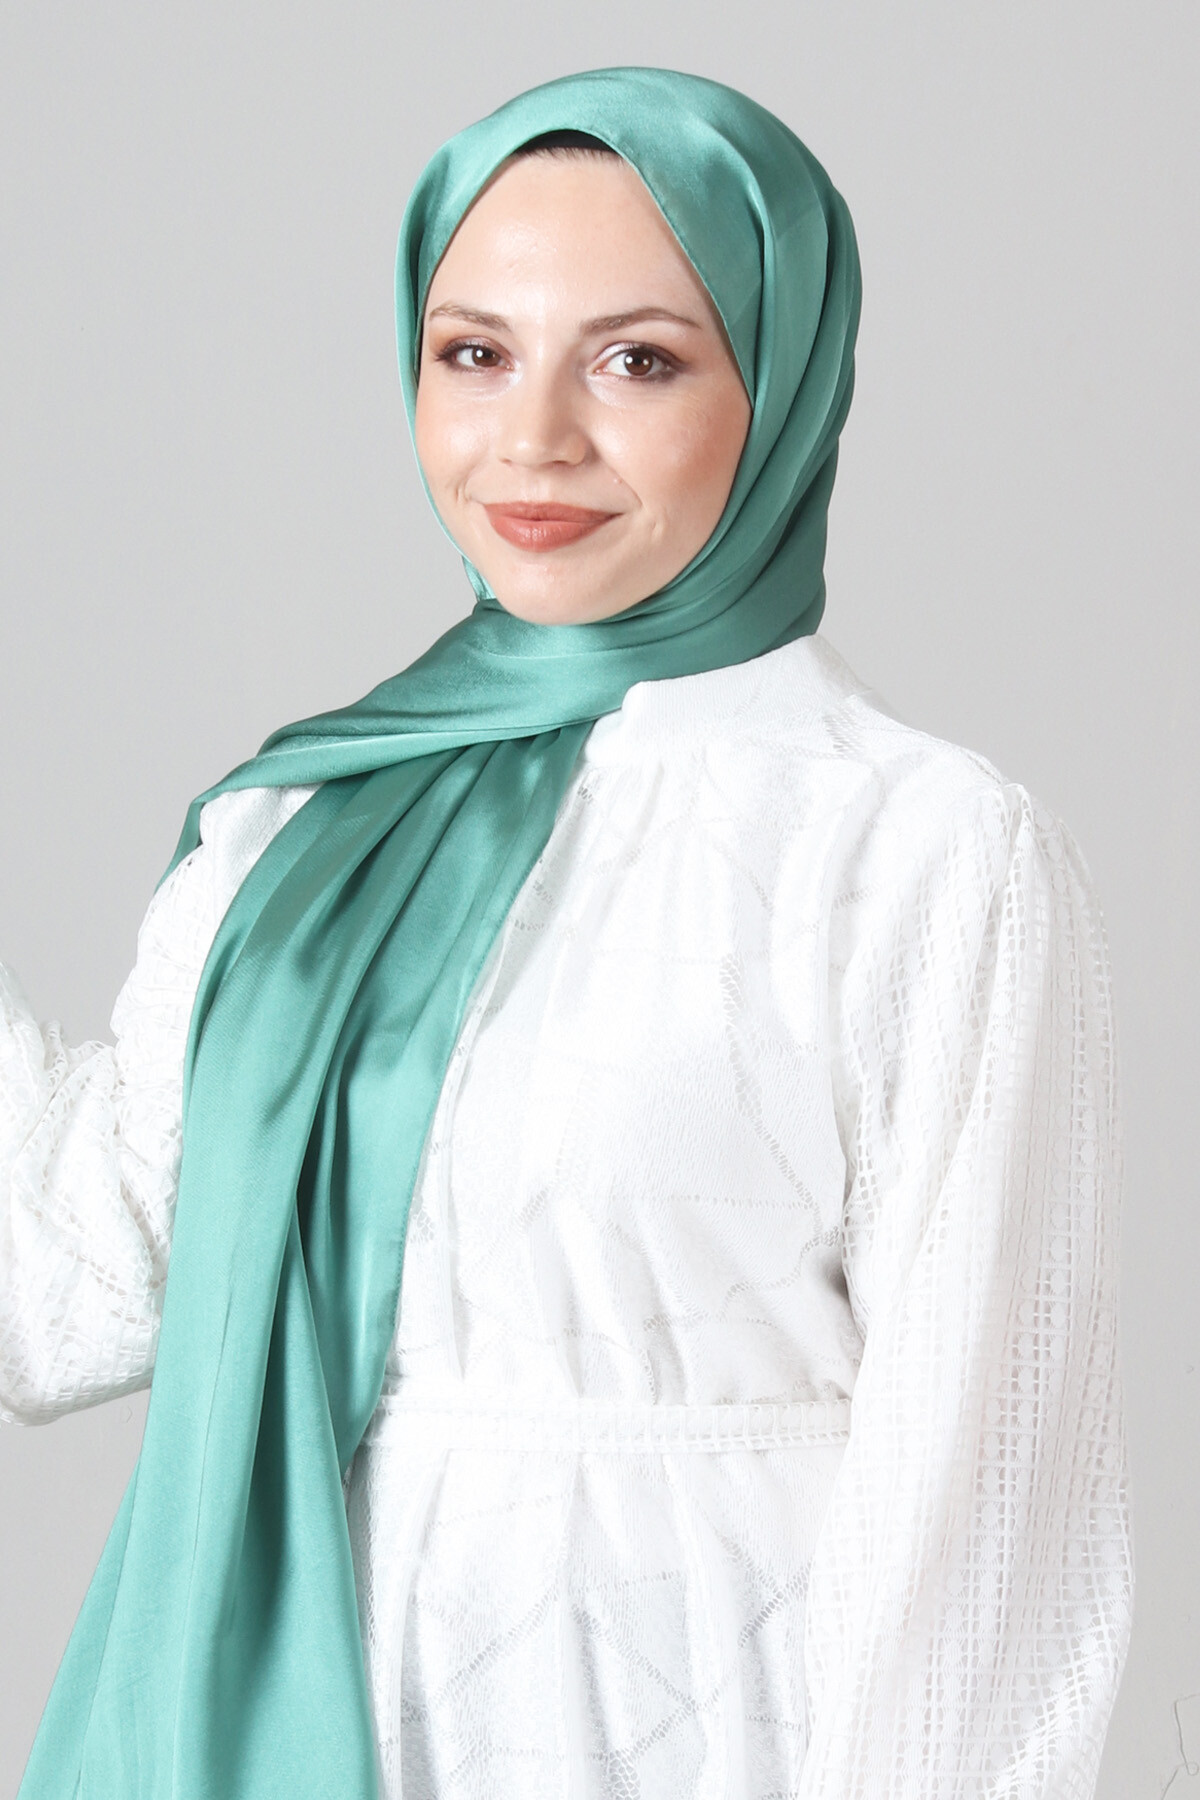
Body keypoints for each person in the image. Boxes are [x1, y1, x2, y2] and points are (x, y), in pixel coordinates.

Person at [1, 66, 1132, 1800]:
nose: (531, 438)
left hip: (717, 1722)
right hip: (326, 1728)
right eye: (474, 352)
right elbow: (64, 1288)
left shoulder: (921, 848)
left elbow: (991, 1520)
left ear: (784, 379)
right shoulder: (291, 832)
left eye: (637, 361)